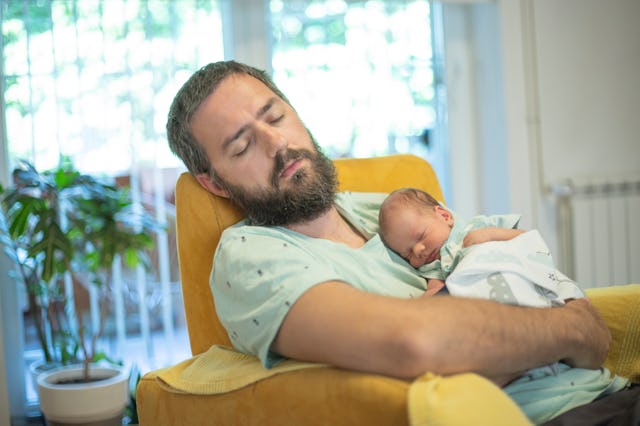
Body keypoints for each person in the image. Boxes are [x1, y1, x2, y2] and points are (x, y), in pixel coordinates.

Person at [166, 60, 636, 423]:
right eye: (242, 146)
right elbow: (416, 343)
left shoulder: (384, 208)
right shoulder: (251, 257)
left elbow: (508, 260)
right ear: (215, 184)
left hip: (610, 390)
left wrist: (497, 336)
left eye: (275, 116)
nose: (277, 143)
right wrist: (575, 329)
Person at [378, 187, 585, 304]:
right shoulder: (432, 267)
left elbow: (524, 238)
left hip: (519, 268)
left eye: (421, 236)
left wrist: (489, 234)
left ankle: (568, 301)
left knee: (560, 288)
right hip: (494, 291)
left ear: (444, 216)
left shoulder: (475, 226)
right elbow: (436, 290)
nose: (418, 251)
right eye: (407, 254)